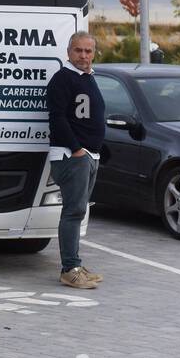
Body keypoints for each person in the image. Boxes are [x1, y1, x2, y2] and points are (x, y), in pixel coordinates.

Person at [45, 31, 106, 289]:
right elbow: (57, 118)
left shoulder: (88, 78)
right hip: (72, 156)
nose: (83, 56)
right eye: (78, 50)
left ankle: (76, 264)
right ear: (68, 52)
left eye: (88, 51)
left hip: (88, 155)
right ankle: (69, 269)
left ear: (94, 53)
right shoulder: (62, 78)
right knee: (73, 211)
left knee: (79, 211)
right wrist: (77, 149)